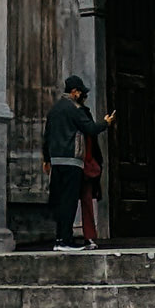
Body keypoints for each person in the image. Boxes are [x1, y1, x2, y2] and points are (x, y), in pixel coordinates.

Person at [42, 76, 113, 250]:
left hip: (56, 161)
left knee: (60, 201)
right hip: (72, 161)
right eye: (81, 93)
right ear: (74, 92)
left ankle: (59, 239)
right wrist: (106, 123)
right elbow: (90, 129)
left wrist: (46, 159)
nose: (82, 96)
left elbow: (47, 136)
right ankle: (66, 240)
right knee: (70, 201)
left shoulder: (54, 110)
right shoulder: (75, 109)